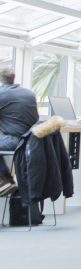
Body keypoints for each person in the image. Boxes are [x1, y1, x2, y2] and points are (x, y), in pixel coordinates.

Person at [0, 66, 39, 196]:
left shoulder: (2, 93)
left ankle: (5, 183)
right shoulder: (29, 93)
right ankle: (6, 183)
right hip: (32, 141)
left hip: (15, 141)